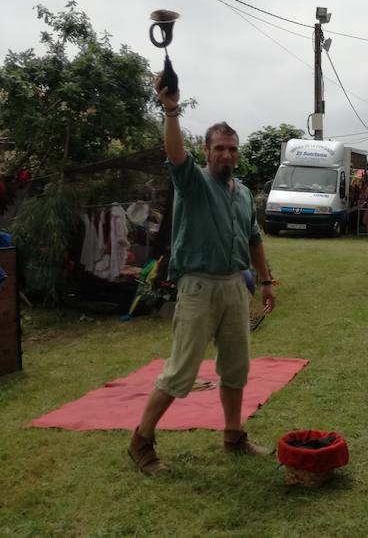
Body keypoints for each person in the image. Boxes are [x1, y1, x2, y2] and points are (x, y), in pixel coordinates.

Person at [128, 79, 276, 475]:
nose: (226, 154)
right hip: (197, 286)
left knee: (236, 367)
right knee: (181, 371)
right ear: (206, 151)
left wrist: (265, 281)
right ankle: (141, 441)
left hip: (234, 286)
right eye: (219, 148)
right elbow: (174, 153)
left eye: (232, 148)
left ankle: (233, 436)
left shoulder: (243, 192)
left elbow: (254, 239)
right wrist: (172, 111)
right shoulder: (192, 182)